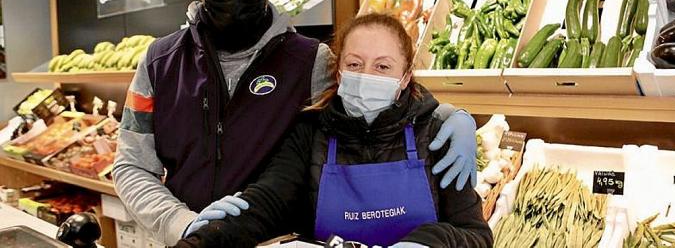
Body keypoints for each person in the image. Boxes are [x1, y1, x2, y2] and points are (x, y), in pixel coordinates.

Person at [113, 0, 478, 246]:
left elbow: (373, 103)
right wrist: (181, 224)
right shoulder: (159, 62)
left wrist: (448, 114)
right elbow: (131, 165)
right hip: (187, 237)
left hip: (281, 241)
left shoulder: (310, 61)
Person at [175, 14, 493, 248]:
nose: (367, 74)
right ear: (338, 72)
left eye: (383, 66)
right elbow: (266, 203)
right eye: (355, 64)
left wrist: (429, 242)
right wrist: (208, 237)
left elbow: (477, 236)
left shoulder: (437, 135)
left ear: (405, 77)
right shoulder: (310, 133)